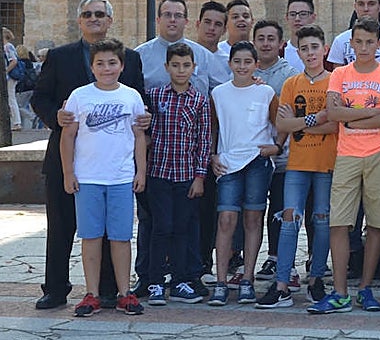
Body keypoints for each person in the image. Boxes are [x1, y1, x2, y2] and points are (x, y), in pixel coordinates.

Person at [32, 0, 148, 311]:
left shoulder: (131, 59)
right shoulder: (59, 56)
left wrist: (146, 122)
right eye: (87, 14)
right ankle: (55, 288)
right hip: (66, 159)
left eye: (100, 14)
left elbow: (139, 107)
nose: (94, 18)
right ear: (79, 21)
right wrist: (54, 115)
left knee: (113, 230)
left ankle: (109, 289)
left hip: (114, 166)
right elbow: (39, 97)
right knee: (61, 225)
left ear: (110, 20)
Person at [310, 18, 380, 314]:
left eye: (369, 42)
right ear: (351, 44)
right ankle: (339, 292)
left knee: (376, 222)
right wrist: (366, 112)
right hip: (347, 153)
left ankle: (365, 287)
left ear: (378, 44)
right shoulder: (340, 75)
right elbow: (334, 113)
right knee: (339, 222)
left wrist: (352, 116)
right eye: (358, 42)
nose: (363, 47)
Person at [59, 38, 148, 317]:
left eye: (112, 63)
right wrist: (68, 172)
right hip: (88, 178)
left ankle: (125, 293)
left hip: (121, 177)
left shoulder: (131, 96)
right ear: (92, 66)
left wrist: (141, 171)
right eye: (100, 63)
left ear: (121, 65)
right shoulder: (80, 96)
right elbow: (68, 136)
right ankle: (92, 293)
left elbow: (138, 136)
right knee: (91, 236)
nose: (106, 68)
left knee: (121, 238)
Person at [258, 25, 337, 308]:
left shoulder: (334, 80)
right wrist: (315, 120)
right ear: (298, 52)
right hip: (297, 162)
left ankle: (316, 279)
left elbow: (335, 122)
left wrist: (300, 123)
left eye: (315, 47)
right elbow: (282, 124)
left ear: (324, 49)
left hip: (326, 162)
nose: (310, 53)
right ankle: (281, 286)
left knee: (322, 221)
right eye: (304, 48)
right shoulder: (292, 83)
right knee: (290, 220)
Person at [207, 41, 279, 307]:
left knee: (253, 218)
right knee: (226, 219)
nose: (242, 66)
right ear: (230, 64)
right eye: (237, 61)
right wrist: (212, 155)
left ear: (256, 65)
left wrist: (277, 146)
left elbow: (279, 122)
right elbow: (212, 128)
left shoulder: (266, 92)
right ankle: (221, 281)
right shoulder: (219, 94)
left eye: (248, 62)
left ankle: (248, 279)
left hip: (257, 162)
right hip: (228, 163)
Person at [144, 41, 211, 306]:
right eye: (175, 65)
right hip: (159, 173)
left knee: (183, 228)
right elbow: (146, 132)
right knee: (161, 228)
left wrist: (199, 176)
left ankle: (181, 280)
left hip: (186, 176)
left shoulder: (199, 100)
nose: (181, 70)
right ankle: (156, 282)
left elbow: (203, 140)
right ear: (166, 67)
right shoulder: (156, 96)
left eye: (186, 65)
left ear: (193, 68)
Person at [251, 19, 300, 285]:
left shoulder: (289, 74)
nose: (266, 43)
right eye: (261, 38)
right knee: (253, 210)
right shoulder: (245, 69)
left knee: (280, 209)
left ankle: (276, 258)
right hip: (252, 156)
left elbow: (286, 115)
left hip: (281, 156)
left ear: (281, 44)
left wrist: (278, 145)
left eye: (271, 38)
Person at [284, 0, 318, 72]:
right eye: (292, 14)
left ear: (313, 17)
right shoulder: (280, 52)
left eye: (303, 14)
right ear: (286, 18)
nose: (297, 18)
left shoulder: (323, 53)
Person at [2, 27, 23, 130]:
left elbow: (14, 61)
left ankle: (17, 122)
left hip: (10, 76)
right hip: (9, 75)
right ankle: (11, 120)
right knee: (1, 97)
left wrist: (5, 71)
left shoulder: (7, 46)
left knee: (10, 98)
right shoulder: (7, 46)